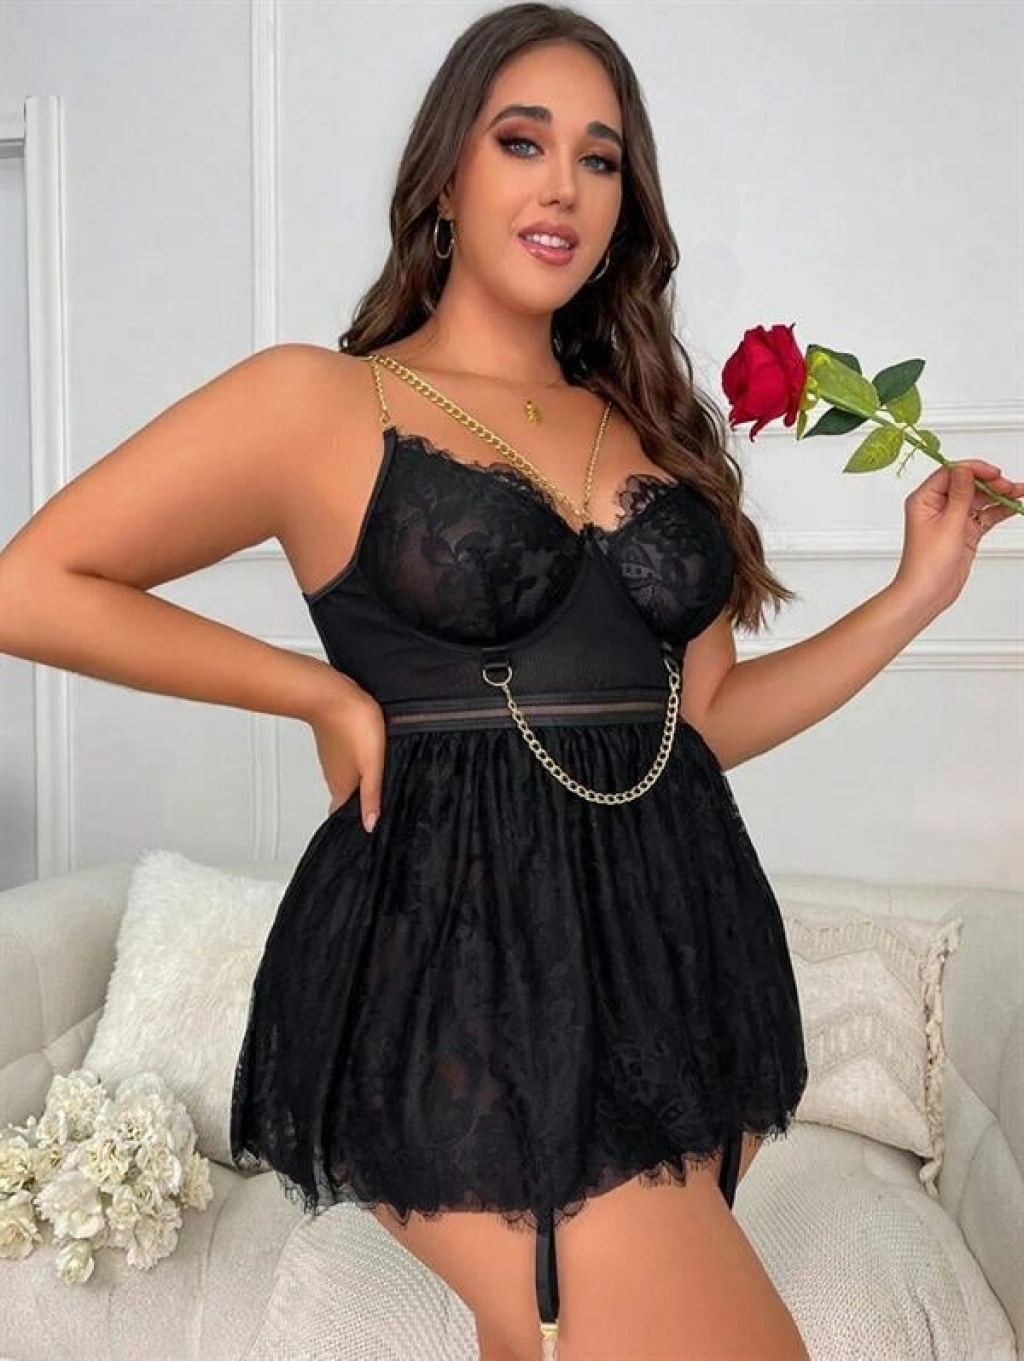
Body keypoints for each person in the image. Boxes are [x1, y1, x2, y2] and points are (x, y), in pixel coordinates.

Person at [0, 4, 1020, 1360]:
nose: (564, 188)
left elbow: (709, 722)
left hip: (675, 950)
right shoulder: (319, 403)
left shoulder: (653, 427)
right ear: (445, 176)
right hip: (459, 961)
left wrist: (916, 595)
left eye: (600, 159)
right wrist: (317, 692)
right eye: (522, 142)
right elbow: (30, 585)